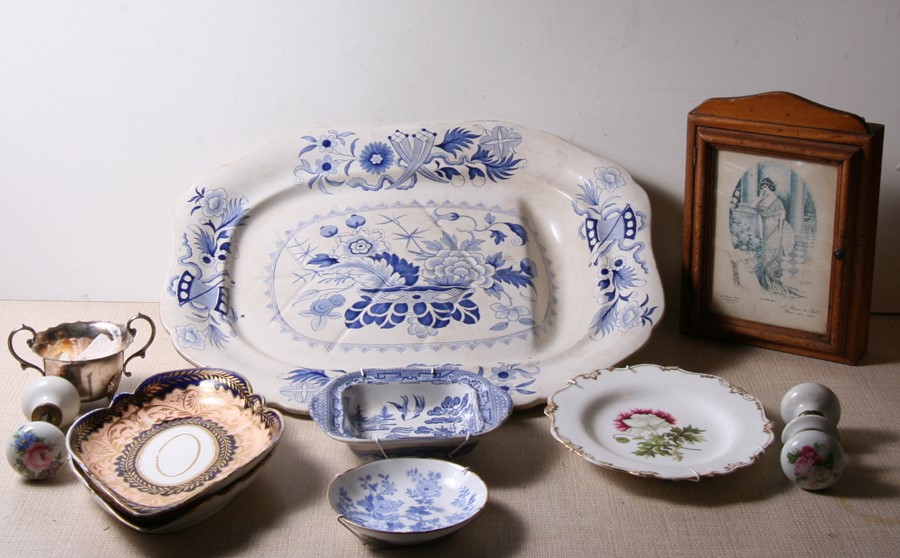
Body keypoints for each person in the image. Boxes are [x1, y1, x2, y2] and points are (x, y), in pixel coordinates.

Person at [749, 178, 802, 297]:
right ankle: (766, 285)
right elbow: (752, 205)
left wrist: (781, 232)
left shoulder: (777, 201)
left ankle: (773, 284)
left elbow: (782, 217)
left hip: (774, 232)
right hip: (765, 234)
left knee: (772, 257)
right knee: (765, 257)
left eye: (765, 187)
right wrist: (760, 196)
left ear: (770, 187)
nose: (763, 190)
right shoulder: (762, 200)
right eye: (761, 187)